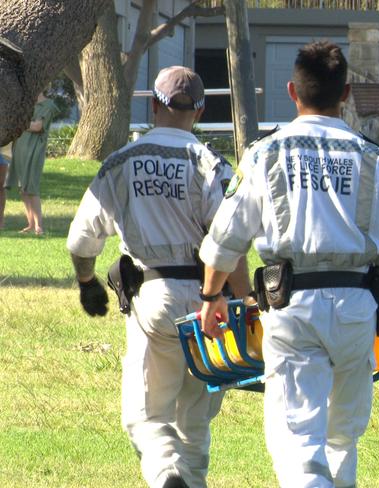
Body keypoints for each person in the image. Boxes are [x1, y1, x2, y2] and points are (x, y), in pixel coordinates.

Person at [198, 41, 379, 487]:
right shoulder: (373, 156)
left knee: (297, 437)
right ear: (347, 93)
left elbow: (225, 236)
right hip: (359, 306)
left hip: (292, 304)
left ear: (292, 92)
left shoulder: (266, 154)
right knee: (342, 436)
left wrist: (210, 296)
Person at [66, 66, 250, 488]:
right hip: (211, 304)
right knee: (196, 417)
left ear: (154, 104)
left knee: (145, 417)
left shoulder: (121, 163)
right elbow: (231, 243)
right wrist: (245, 305)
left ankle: (166, 473)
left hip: (153, 299)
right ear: (199, 111)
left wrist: (87, 282)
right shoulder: (211, 165)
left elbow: (80, 240)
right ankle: (189, 478)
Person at [5, 90, 59, 234]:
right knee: (23, 189)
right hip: (20, 150)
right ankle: (30, 224)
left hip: (34, 152)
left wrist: (20, 123)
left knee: (32, 187)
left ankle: (39, 226)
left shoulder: (48, 105)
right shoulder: (26, 105)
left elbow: (37, 127)